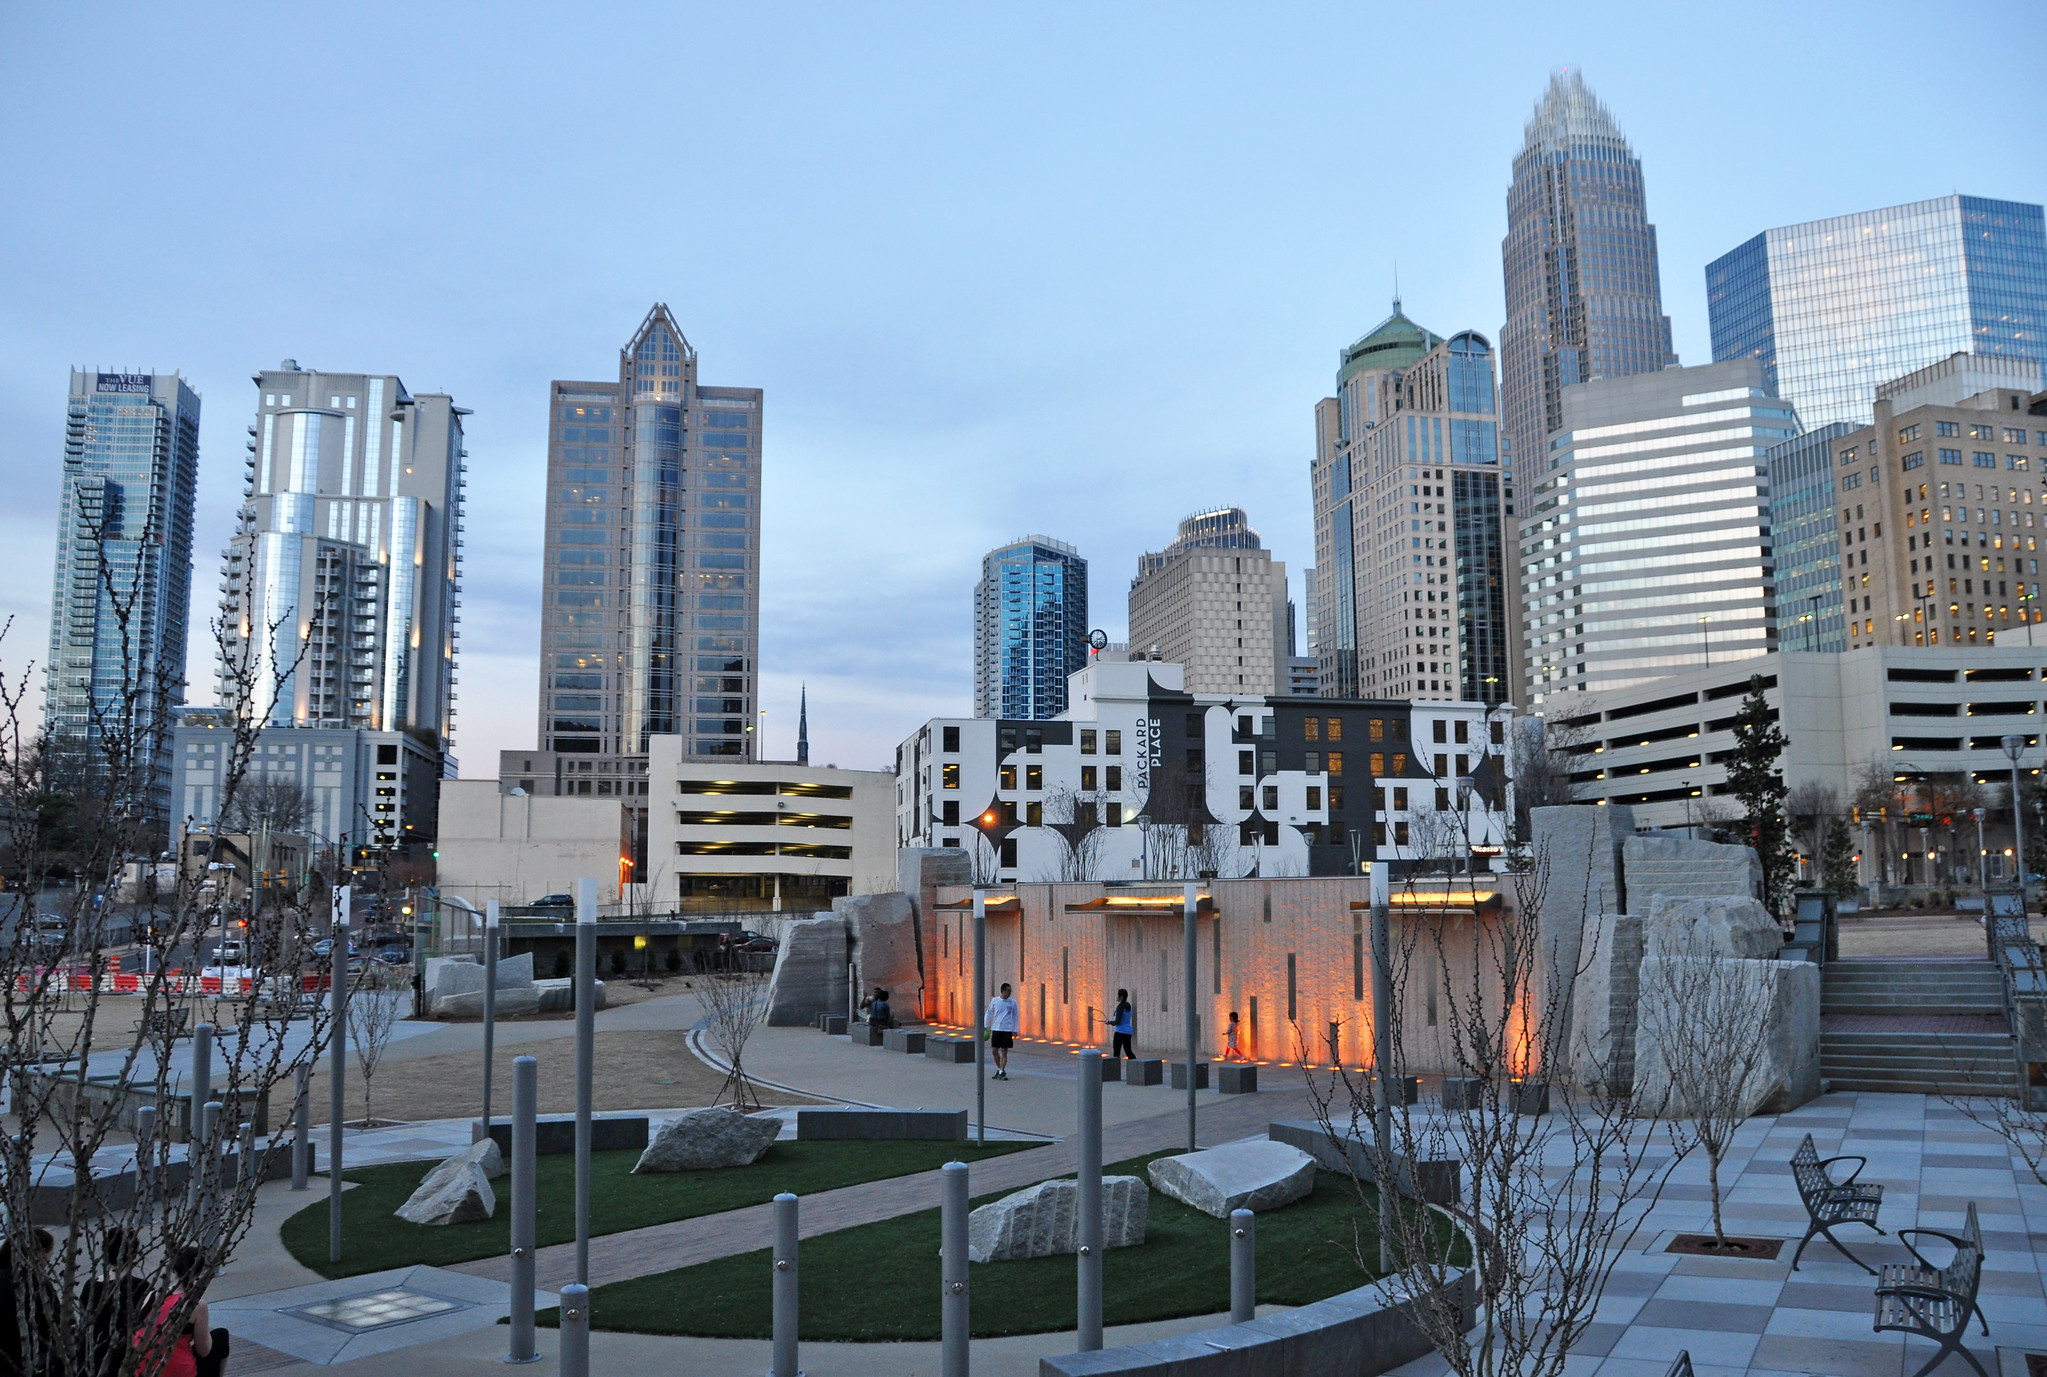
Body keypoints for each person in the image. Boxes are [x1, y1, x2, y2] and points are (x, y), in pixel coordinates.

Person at [133, 1246, 229, 1377]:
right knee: (222, 1335)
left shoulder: (151, 1296)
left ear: (173, 1268)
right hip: (178, 1371)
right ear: (199, 1272)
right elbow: (204, 1351)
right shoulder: (195, 1304)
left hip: (142, 1370)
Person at [80, 1226, 152, 1377]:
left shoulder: (90, 1286)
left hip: (95, 1357)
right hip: (127, 1358)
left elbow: (84, 1325)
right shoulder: (141, 1287)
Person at [984, 982, 1019, 1079]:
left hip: (1007, 1030)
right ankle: (1000, 1070)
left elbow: (1016, 1016)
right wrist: (985, 1025)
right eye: (1008, 991)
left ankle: (1000, 1072)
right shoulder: (995, 1001)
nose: (1009, 993)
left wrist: (1015, 1029)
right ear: (1003, 991)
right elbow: (988, 1013)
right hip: (996, 1028)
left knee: (1004, 1051)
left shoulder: (1013, 1002)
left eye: (1010, 991)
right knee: (994, 1051)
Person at [1110, 989, 1136, 1059]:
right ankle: (1136, 1067)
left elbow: (1117, 1022)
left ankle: (1115, 1069)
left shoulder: (1120, 1007)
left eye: (1118, 995)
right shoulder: (1129, 1006)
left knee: (1116, 1053)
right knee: (1128, 1051)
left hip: (1119, 1032)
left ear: (1121, 997)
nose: (1117, 997)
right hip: (1128, 1032)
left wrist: (1109, 1022)